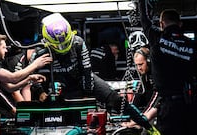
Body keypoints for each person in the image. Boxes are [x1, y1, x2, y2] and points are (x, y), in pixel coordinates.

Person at [29, 13, 160, 134]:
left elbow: (86, 70)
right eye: (59, 44)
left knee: (118, 100)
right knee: (62, 114)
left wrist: (87, 94)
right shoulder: (41, 50)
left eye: (65, 42)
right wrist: (39, 91)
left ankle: (150, 128)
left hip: (83, 79)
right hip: (61, 83)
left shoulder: (78, 42)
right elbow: (30, 74)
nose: (62, 47)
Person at [139, 0, 197, 134]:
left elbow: (145, 20)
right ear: (180, 24)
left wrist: (142, 3)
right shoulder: (192, 45)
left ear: (161, 24)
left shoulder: (157, 38)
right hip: (190, 106)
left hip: (168, 108)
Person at [121, 47, 159, 134]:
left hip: (162, 110)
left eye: (141, 64)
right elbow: (137, 96)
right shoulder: (144, 75)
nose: (139, 68)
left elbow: (155, 100)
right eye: (136, 65)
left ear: (149, 62)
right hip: (151, 112)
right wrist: (129, 115)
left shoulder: (157, 75)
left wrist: (138, 120)